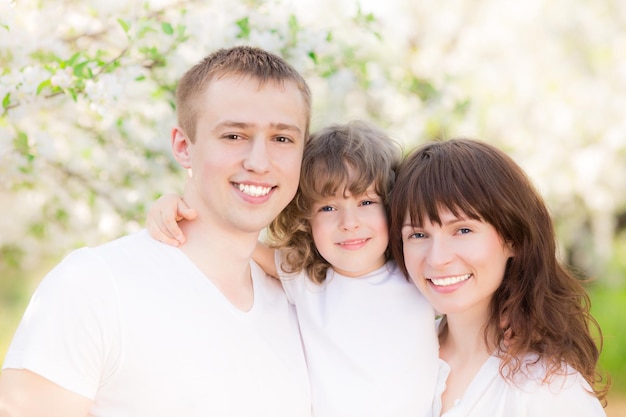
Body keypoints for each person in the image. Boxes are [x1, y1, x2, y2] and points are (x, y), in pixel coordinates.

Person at [0, 46, 313, 417]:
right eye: (234, 136)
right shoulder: (95, 284)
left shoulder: (305, 304)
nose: (259, 162)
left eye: (282, 139)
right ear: (183, 146)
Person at [147, 120, 440, 417]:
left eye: (366, 201)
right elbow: (230, 237)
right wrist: (173, 204)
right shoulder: (308, 279)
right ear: (305, 220)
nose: (349, 222)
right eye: (327, 208)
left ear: (391, 206)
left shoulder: (418, 275)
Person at [388, 138, 609, 416]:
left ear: (512, 238)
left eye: (463, 230)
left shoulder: (549, 390)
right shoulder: (395, 357)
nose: (437, 258)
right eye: (418, 235)